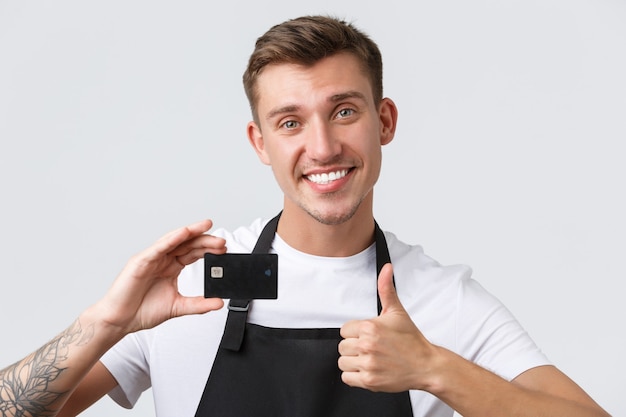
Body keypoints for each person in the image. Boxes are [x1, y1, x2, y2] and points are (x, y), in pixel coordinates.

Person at [1, 15, 610, 417]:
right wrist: (107, 324)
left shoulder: (439, 300)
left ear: (385, 121)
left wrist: (433, 369)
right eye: (290, 122)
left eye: (344, 111)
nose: (321, 148)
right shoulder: (194, 286)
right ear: (260, 142)